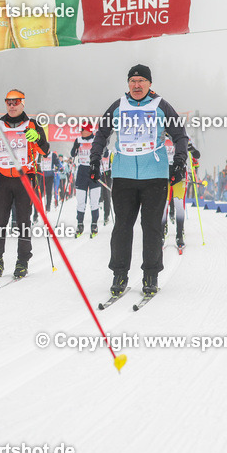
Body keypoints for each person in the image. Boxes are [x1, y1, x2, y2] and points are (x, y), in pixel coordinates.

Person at [89, 65, 187, 296]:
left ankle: (150, 275)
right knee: (122, 228)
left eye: (141, 80)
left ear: (150, 83)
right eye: (132, 80)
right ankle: (119, 274)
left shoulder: (161, 106)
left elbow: (180, 135)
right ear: (128, 84)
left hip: (154, 176)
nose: (136, 85)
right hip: (123, 176)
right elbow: (102, 133)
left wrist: (180, 162)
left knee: (152, 228)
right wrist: (95, 160)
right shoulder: (118, 106)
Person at [0, 89, 50, 279]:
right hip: (3, 179)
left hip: (25, 178)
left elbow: (45, 150)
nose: (12, 105)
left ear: (23, 103)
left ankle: (22, 261)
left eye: (16, 102)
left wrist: (37, 138)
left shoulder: (32, 124)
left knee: (23, 221)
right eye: (8, 102)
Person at [69, 122, 101, 238]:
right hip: (82, 171)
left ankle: (94, 224)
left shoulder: (96, 140)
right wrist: (75, 148)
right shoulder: (78, 140)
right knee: (81, 200)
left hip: (94, 171)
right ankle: (80, 224)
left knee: (94, 201)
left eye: (83, 129)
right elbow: (72, 154)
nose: (81, 131)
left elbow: (104, 153)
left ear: (89, 130)